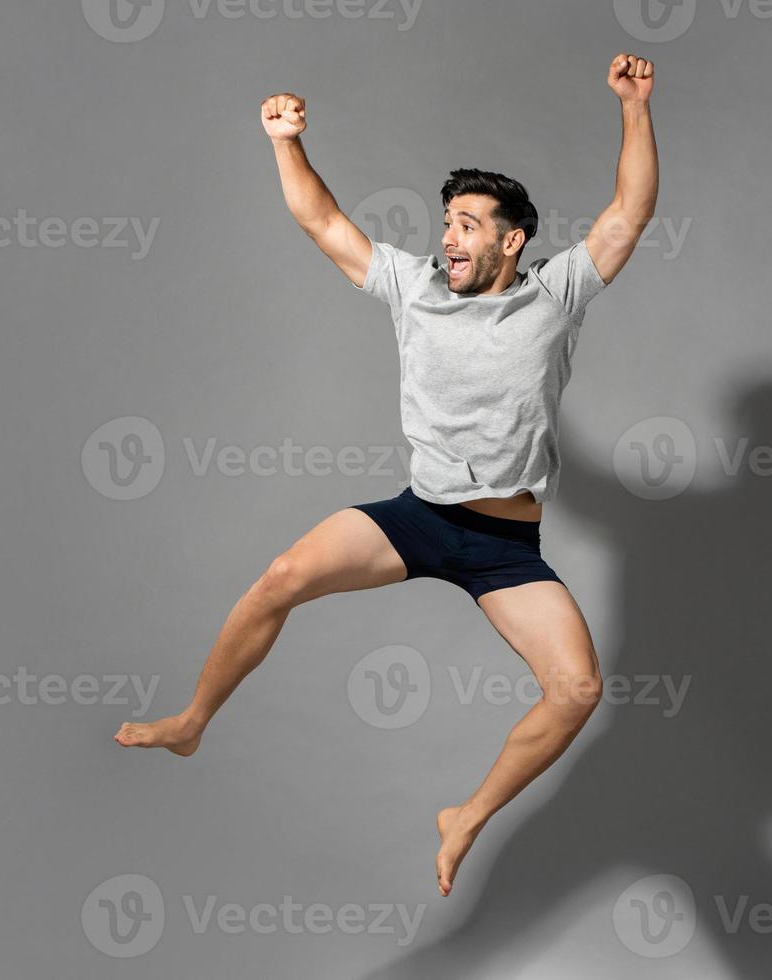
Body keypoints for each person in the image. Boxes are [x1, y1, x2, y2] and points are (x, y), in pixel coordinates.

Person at [116, 53, 658, 898]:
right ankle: (191, 721)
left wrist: (633, 108)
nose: (449, 237)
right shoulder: (415, 288)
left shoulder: (555, 295)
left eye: (469, 225)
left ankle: (467, 814)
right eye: (447, 221)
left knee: (578, 689)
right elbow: (323, 222)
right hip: (418, 516)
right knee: (280, 579)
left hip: (505, 544)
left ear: (513, 240)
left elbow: (627, 215)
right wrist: (285, 143)